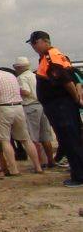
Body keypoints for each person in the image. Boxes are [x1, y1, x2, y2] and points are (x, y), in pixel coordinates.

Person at [28, 30, 83, 188]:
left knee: (69, 139)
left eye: (34, 43)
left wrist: (75, 98)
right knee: (72, 138)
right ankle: (78, 172)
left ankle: (79, 176)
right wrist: (77, 98)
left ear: (43, 41)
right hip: (61, 105)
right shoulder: (59, 56)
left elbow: (67, 81)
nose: (33, 47)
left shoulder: (51, 57)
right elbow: (76, 78)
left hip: (60, 105)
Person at [0, 62, 42, 177]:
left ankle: (13, 169)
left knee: (4, 140)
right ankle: (38, 167)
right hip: (18, 107)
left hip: (3, 108)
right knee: (26, 139)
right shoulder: (10, 75)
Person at [15, 56, 55, 168]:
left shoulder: (21, 78)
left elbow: (26, 92)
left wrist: (15, 90)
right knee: (46, 136)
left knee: (33, 137)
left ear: (18, 67)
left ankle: (41, 162)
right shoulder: (36, 76)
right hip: (42, 105)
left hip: (30, 106)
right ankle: (51, 161)